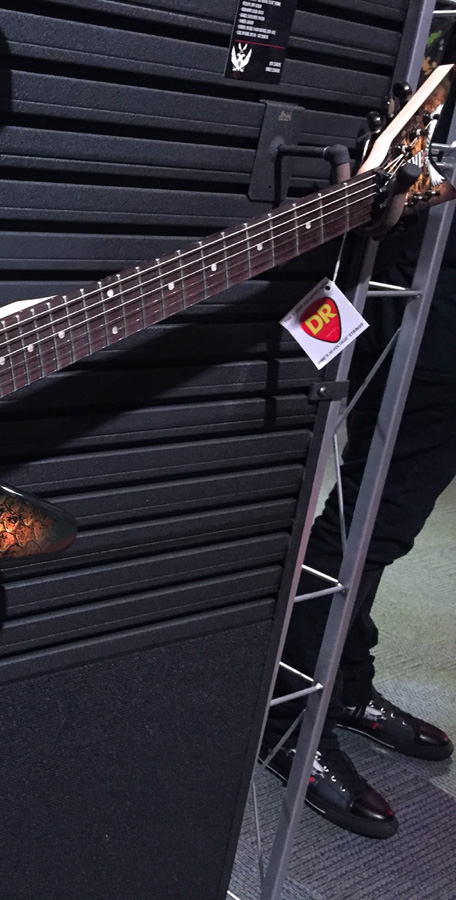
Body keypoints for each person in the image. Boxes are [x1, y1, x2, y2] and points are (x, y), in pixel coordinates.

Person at [262, 221, 456, 839]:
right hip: (420, 298)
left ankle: (344, 684)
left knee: (382, 527)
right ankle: (287, 721)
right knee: (363, 524)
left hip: (427, 298)